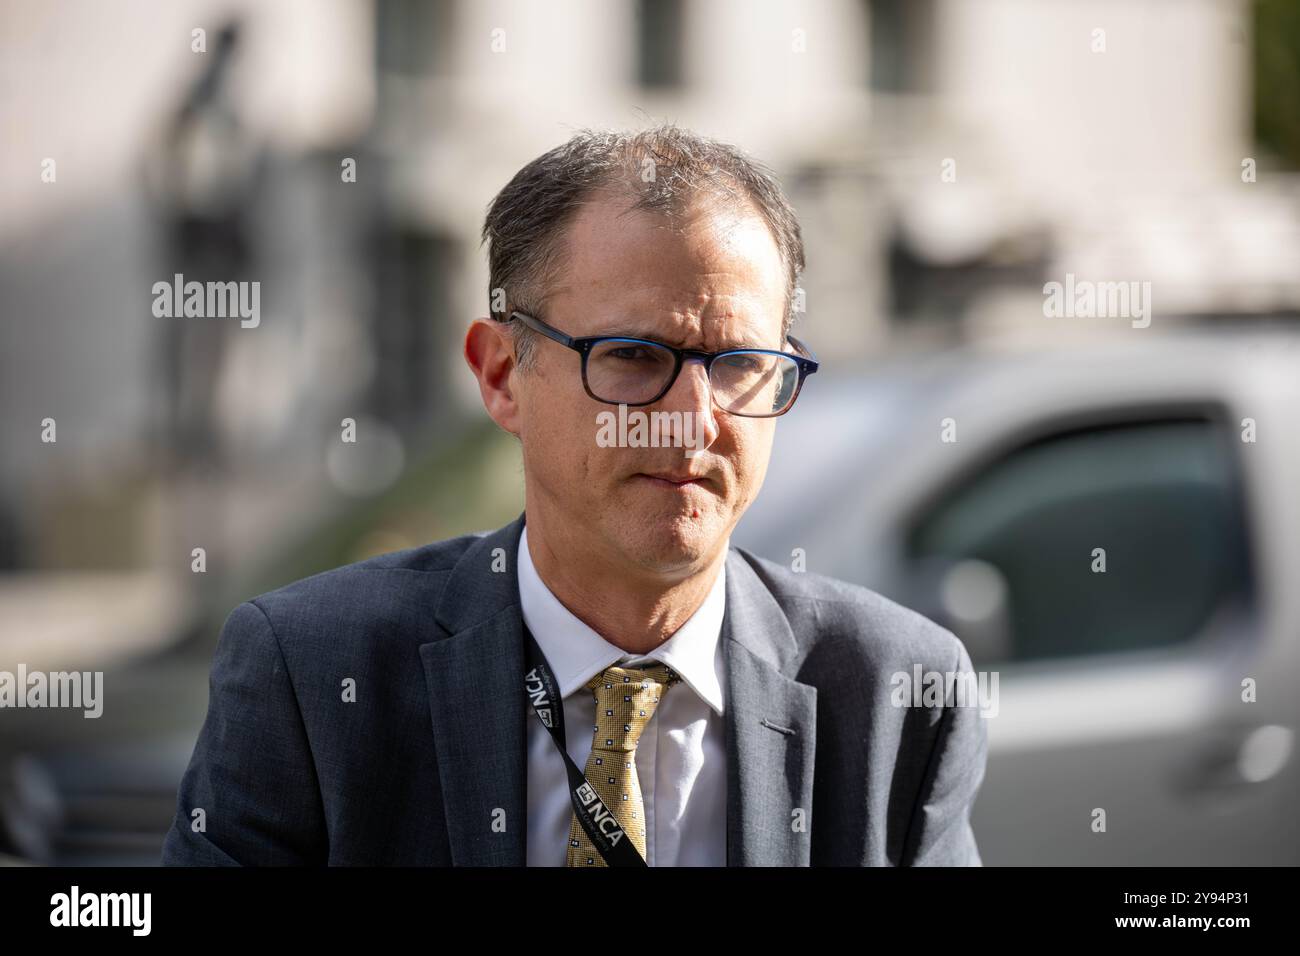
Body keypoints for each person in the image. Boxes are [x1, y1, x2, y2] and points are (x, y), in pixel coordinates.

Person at [162, 124, 987, 866]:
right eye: (634, 356)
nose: (693, 420)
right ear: (500, 375)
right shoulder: (314, 676)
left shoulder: (894, 695)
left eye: (739, 363)